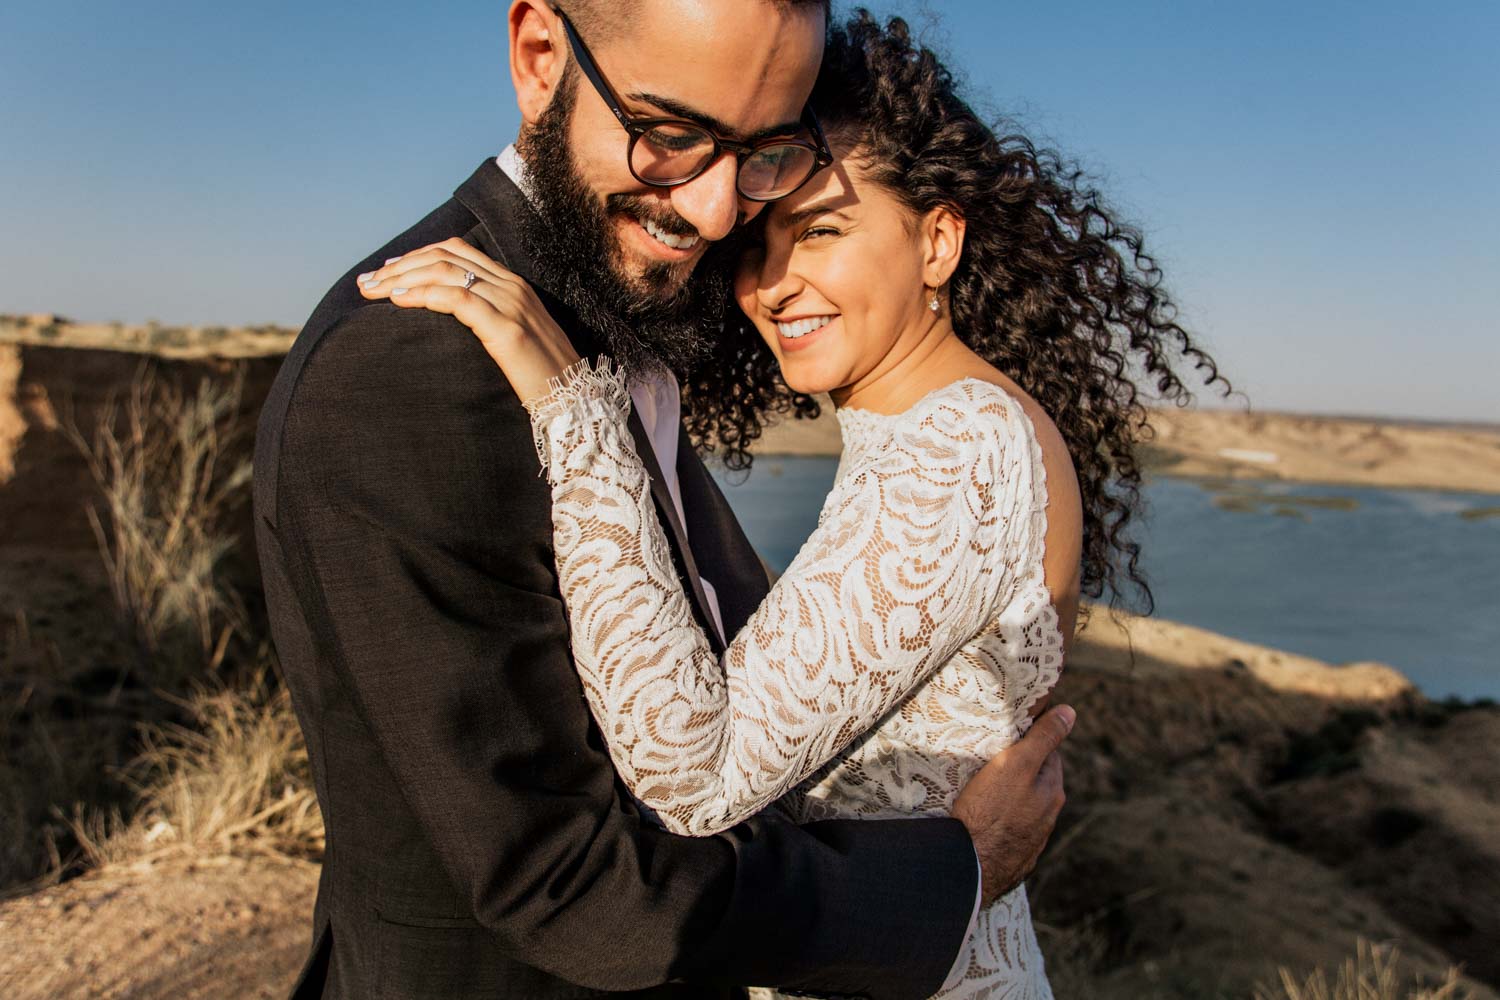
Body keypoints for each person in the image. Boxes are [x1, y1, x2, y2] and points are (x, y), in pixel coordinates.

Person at [356, 10, 1230, 999]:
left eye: (821, 230)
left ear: (937, 240)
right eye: (757, 246)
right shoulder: (932, 430)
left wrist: (575, 411)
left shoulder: (963, 448)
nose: (772, 283)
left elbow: (694, 774)